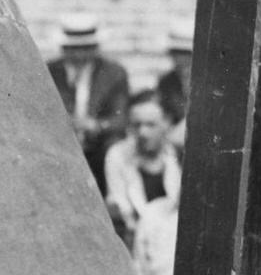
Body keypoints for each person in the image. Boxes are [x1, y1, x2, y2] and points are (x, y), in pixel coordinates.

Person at [46, 13, 130, 194]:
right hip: (60, 144)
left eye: (85, 48)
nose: (78, 55)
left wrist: (95, 125)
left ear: (95, 47)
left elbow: (120, 119)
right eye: (72, 48)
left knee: (115, 146)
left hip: (98, 145)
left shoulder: (113, 73)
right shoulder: (48, 71)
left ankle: (114, 200)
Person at [103, 89, 181, 247]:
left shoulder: (178, 156)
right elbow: (121, 206)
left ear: (166, 122)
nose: (143, 132)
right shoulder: (118, 155)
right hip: (136, 240)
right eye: (137, 125)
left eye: (150, 125)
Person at [156, 16, 195, 145]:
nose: (179, 58)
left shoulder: (209, 82)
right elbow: (166, 116)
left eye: (185, 53)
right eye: (174, 52)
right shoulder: (167, 82)